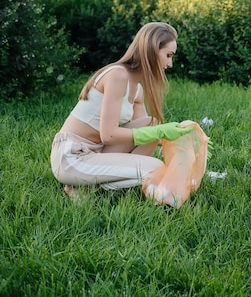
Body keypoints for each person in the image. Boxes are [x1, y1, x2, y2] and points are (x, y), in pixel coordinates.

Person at [50, 22, 193, 198]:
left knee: (151, 124)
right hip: (73, 157)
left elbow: (147, 135)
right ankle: (84, 186)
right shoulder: (118, 75)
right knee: (154, 166)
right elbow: (108, 135)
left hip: (97, 152)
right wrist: (159, 131)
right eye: (168, 55)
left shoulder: (137, 90)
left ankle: (84, 187)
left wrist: (188, 140)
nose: (170, 64)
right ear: (152, 51)